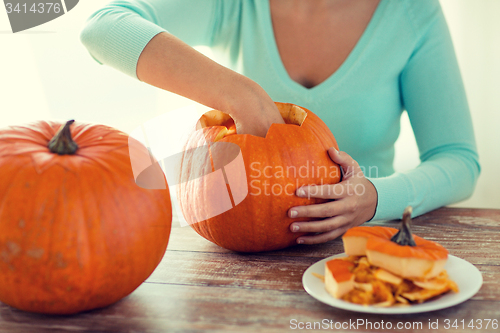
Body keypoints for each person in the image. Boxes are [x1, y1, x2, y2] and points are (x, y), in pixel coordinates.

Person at [81, 0, 480, 245]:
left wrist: (375, 197)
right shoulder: (235, 4)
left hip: (361, 244)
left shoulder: (412, 12)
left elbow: (458, 160)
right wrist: (241, 95)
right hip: (234, 255)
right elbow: (102, 26)